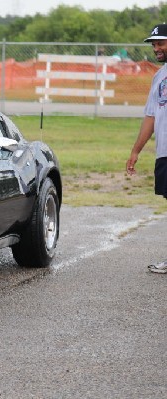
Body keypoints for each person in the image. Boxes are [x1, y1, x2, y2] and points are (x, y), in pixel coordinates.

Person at [126, 23, 167, 274]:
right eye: (154, 44)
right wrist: (136, 150)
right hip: (164, 152)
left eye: (161, 43)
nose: (156, 48)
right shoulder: (159, 76)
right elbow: (151, 117)